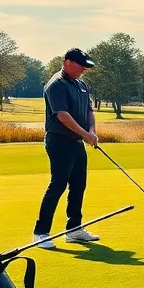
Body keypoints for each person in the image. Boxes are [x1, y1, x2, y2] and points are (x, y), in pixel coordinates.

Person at [32, 48, 100, 249]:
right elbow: (63, 116)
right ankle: (41, 232)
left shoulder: (80, 84)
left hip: (76, 142)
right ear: (68, 62)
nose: (84, 71)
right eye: (81, 66)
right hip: (59, 141)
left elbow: (89, 110)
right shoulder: (56, 85)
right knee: (58, 184)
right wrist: (85, 134)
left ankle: (74, 229)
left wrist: (92, 131)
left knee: (79, 184)